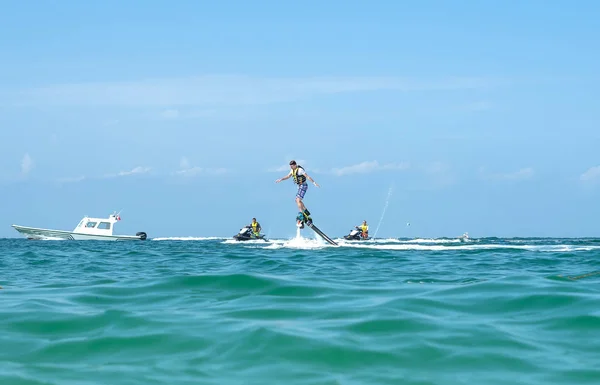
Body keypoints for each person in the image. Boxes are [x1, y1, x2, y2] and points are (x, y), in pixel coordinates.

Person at [275, 160, 320, 225]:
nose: (291, 167)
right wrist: (281, 179)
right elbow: (288, 176)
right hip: (299, 187)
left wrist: (314, 183)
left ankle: (301, 214)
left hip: (303, 186)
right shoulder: (292, 170)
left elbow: (307, 176)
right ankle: (306, 212)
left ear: (295, 165)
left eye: (292, 166)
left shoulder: (300, 170)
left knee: (298, 199)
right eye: (290, 166)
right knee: (297, 200)